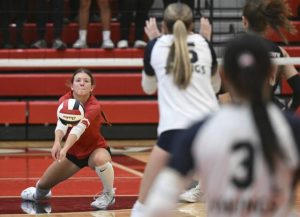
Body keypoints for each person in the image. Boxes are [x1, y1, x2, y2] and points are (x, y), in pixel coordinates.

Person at [144, 33, 300, 217]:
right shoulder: (291, 129)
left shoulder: (200, 131)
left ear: (224, 76)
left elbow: (156, 208)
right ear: (270, 74)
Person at [130, 3, 220, 216]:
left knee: (143, 207)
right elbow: (215, 87)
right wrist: (206, 41)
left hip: (175, 131)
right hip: (213, 129)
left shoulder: (155, 46)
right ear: (192, 25)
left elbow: (148, 88)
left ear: (163, 25)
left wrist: (153, 42)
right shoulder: (204, 43)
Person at [20, 68, 116, 210]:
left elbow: (79, 128)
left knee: (101, 160)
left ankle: (109, 195)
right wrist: (57, 142)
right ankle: (39, 193)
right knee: (42, 187)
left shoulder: (94, 106)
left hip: (95, 149)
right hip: (74, 154)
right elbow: (62, 125)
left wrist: (64, 148)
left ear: (92, 87)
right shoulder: (64, 101)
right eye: (78, 80)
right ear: (72, 86)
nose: (82, 83)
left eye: (86, 81)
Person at [226, 0, 300, 112]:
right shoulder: (280, 52)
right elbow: (298, 89)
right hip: (272, 114)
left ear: (245, 21)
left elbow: (223, 93)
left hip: (243, 114)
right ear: (266, 24)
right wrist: (288, 112)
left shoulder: (234, 51)